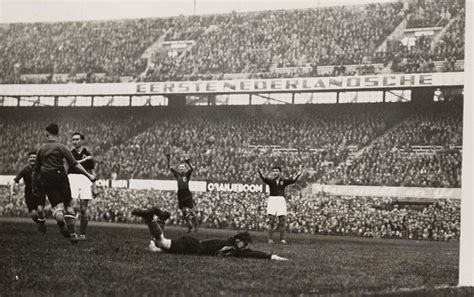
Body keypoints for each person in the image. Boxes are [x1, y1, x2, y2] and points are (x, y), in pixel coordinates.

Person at [132, 207, 287, 260]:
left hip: (193, 245)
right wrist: (272, 256)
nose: (246, 247)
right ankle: (152, 220)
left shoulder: (230, 244)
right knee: (162, 243)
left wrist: (271, 256)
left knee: (155, 247)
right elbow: (253, 254)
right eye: (244, 244)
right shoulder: (232, 247)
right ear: (239, 241)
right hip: (193, 248)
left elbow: (252, 253)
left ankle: (161, 220)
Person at [33, 123, 96, 244]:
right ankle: (73, 235)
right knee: (69, 206)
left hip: (47, 178)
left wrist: (34, 185)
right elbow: (74, 164)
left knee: (57, 207)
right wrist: (88, 175)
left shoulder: (41, 149)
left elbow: (35, 171)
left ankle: (61, 222)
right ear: (57, 134)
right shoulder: (61, 147)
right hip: (60, 176)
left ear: (47, 134)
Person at [258, 166, 302, 244]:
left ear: (280, 172)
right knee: (271, 221)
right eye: (274, 171)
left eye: (277, 171)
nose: (275, 172)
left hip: (281, 200)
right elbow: (264, 179)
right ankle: (270, 239)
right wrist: (260, 173)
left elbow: (293, 180)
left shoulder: (283, 181)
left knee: (282, 220)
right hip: (272, 200)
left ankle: (282, 239)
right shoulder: (270, 181)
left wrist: (298, 174)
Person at [68, 132, 95, 241]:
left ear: (82, 140)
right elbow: (73, 164)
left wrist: (95, 186)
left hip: (85, 179)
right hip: (73, 178)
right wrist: (86, 160)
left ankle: (82, 234)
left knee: (84, 209)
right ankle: (72, 233)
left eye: (77, 139)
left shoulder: (87, 153)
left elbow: (92, 171)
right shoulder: (70, 153)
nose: (75, 141)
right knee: (73, 206)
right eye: (73, 139)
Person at [11, 151, 47, 233]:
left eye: (34, 157)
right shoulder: (25, 170)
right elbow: (15, 180)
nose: (32, 159)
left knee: (40, 210)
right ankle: (41, 223)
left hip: (40, 192)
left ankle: (42, 225)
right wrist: (12, 191)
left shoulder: (42, 169)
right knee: (34, 214)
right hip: (29, 193)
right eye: (31, 157)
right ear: (28, 159)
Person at [165, 152, 199, 233]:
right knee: (183, 211)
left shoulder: (187, 174)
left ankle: (195, 224)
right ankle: (189, 225)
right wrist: (168, 159)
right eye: (180, 169)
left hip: (186, 192)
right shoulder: (177, 174)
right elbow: (170, 167)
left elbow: (192, 169)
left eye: (183, 168)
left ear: (184, 169)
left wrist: (188, 162)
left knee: (191, 210)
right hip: (180, 193)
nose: (181, 170)